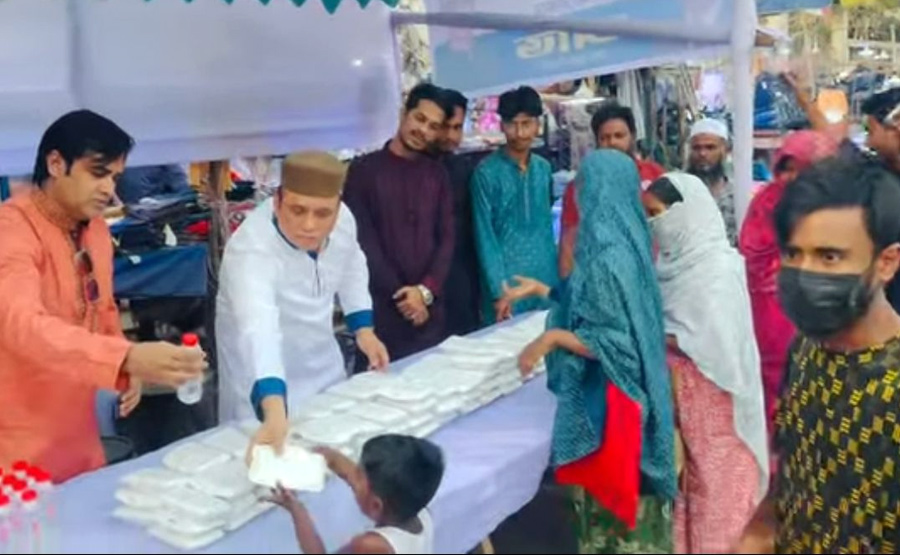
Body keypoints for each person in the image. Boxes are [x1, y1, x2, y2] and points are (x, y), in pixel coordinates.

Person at [0, 110, 206, 482]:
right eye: (98, 173)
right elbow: (23, 326)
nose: (109, 189)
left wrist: (128, 366)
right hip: (16, 440)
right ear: (56, 163)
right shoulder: (11, 230)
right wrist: (125, 358)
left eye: (114, 177)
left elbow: (103, 308)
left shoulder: (95, 229)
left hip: (78, 433)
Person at [505, 150, 676, 553]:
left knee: (611, 530)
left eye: (584, 187)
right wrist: (545, 290)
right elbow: (600, 307)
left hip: (610, 411)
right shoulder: (629, 243)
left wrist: (551, 339)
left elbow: (616, 344)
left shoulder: (606, 258)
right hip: (635, 402)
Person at [736, 158, 900, 554]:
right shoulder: (806, 349)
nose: (804, 273)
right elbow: (790, 469)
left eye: (829, 257)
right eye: (794, 254)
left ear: (886, 262)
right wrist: (759, 532)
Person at [216, 151, 389, 449]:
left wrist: (364, 330)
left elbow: (352, 264)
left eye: (323, 214)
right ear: (277, 201)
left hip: (322, 364)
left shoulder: (344, 220)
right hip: (262, 382)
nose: (309, 225)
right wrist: (273, 411)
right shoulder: (250, 250)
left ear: (337, 208)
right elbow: (258, 330)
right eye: (297, 210)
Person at [643, 173, 768, 553]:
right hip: (686, 418)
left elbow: (715, 343)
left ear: (685, 213)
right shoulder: (668, 269)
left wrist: (646, 332)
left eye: (658, 214)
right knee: (691, 504)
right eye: (648, 216)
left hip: (721, 421)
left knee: (721, 510)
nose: (654, 225)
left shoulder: (719, 271)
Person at [344, 83, 455, 360]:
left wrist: (425, 291)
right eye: (420, 119)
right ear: (404, 113)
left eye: (433, 126)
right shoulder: (363, 172)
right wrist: (405, 298)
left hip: (429, 313)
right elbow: (363, 242)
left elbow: (446, 238)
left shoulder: (437, 175)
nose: (423, 130)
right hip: (382, 315)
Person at [738, 131, 838, 437]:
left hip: (824, 307)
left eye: (801, 168)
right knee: (776, 379)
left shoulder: (838, 206)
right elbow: (752, 253)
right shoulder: (767, 201)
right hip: (772, 311)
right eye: (786, 168)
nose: (791, 177)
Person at [269, 435, 444, 554]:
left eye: (359, 475)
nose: (353, 476)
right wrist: (323, 457)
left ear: (375, 505)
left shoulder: (371, 545)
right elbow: (344, 467)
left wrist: (296, 509)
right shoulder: (420, 511)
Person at [471, 86, 558, 324]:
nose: (519, 133)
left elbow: (545, 225)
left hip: (544, 278)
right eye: (512, 124)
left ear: (537, 125)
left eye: (526, 124)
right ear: (502, 125)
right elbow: (485, 238)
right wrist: (498, 291)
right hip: (507, 285)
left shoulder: (543, 169)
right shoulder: (486, 174)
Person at [558, 101, 665, 278]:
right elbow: (568, 243)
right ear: (597, 142)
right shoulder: (580, 186)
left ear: (632, 137)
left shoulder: (654, 175)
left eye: (619, 136)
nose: (612, 142)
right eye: (605, 137)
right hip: (602, 278)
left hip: (653, 276)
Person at [435, 88, 481, 336]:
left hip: (461, 282)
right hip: (423, 289)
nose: (451, 136)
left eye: (457, 128)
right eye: (445, 127)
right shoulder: (410, 174)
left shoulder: (463, 170)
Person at [687, 118, 737, 246]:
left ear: (725, 150)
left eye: (710, 147)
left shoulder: (737, 193)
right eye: (697, 148)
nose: (702, 154)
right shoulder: (678, 190)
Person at [115, 164, 192, 205]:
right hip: (118, 215)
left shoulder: (161, 157)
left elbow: (184, 193)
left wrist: (155, 202)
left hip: (153, 217)